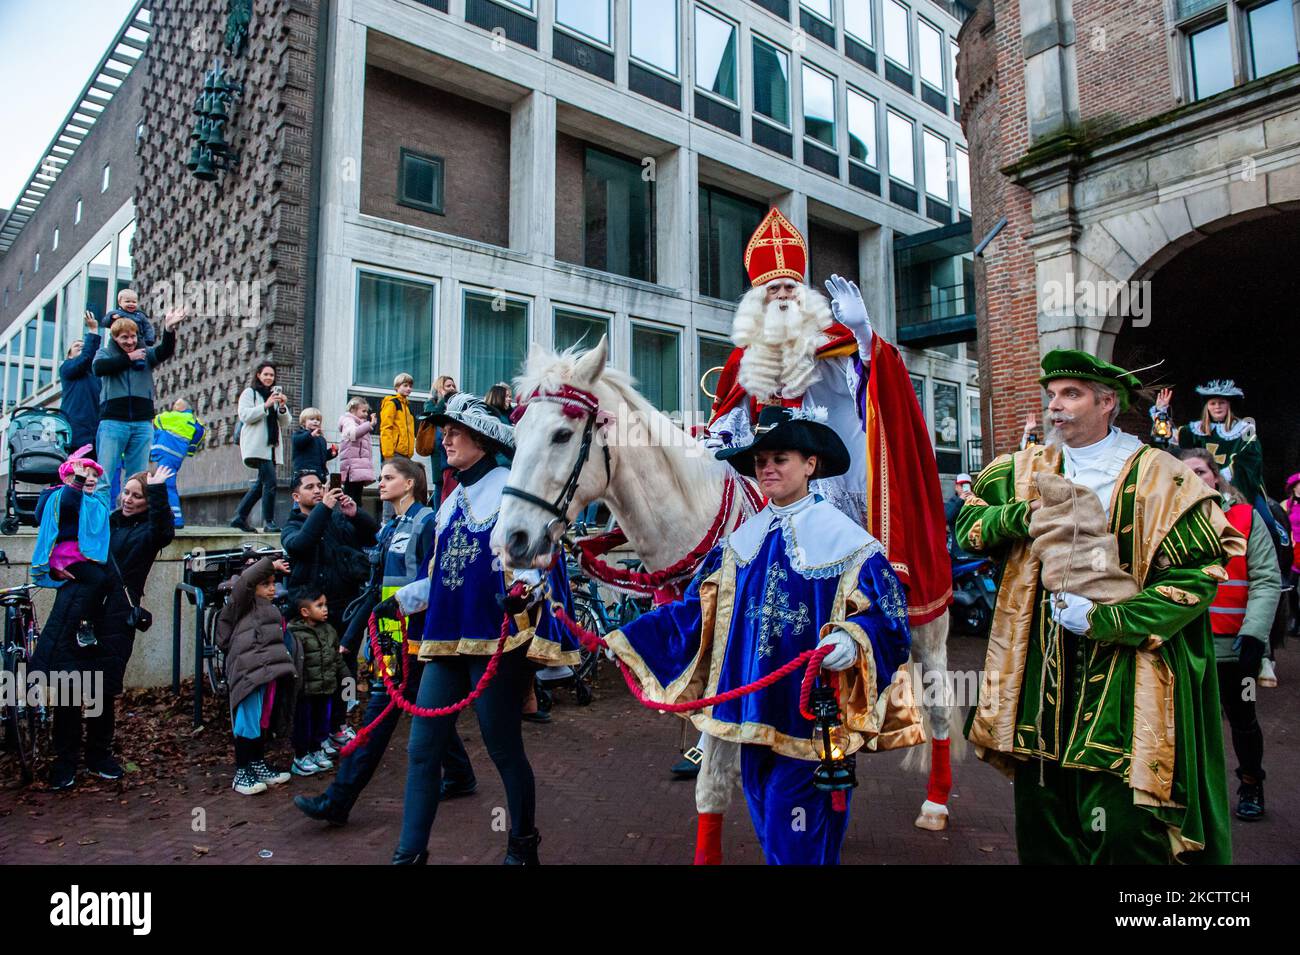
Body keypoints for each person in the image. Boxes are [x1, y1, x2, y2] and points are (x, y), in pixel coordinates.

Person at [700, 206, 952, 850]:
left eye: (790, 287)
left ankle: (930, 768)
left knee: (896, 617)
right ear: (755, 302)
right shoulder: (741, 367)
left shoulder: (841, 347)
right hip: (774, 510)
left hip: (847, 500)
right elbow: (725, 439)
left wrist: (867, 341)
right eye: (771, 291)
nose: (782, 297)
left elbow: (882, 397)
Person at [956, 350, 1244, 864]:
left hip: (1128, 685)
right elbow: (968, 528)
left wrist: (1107, 619)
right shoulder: (1023, 469)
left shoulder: (1162, 477)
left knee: (1126, 838)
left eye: (1072, 394)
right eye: (1052, 395)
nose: (1056, 407)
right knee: (1045, 829)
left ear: (1108, 402)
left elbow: (1199, 576)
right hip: (1039, 685)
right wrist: (1028, 515)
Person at [605, 405, 919, 864]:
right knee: (774, 827)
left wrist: (853, 638)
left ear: (811, 464)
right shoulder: (739, 543)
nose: (767, 468)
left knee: (790, 832)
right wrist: (630, 641)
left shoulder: (849, 543)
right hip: (752, 713)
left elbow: (891, 620)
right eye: (760, 461)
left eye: (780, 458)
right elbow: (696, 612)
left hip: (813, 720)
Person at [380, 392, 581, 864]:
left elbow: (534, 565)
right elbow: (441, 580)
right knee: (422, 750)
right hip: (445, 642)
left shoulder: (512, 489)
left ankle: (522, 845)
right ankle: (408, 856)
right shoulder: (449, 501)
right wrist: (392, 605)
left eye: (454, 432)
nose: (444, 440)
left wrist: (523, 590)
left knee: (503, 748)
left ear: (483, 439)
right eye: (444, 432)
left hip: (495, 643)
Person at [294, 456, 477, 826]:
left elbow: (439, 584)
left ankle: (338, 800)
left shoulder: (429, 523)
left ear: (410, 484)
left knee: (377, 719)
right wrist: (352, 636)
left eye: (388, 477)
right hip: (392, 638)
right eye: (380, 476)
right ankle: (460, 775)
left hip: (414, 641)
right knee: (414, 705)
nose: (380, 482)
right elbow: (377, 588)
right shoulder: (392, 525)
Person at [1181, 448, 1279, 821]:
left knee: (1243, 720)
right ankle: (1191, 793)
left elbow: (1267, 579)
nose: (1195, 478)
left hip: (1236, 649)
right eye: (1186, 473)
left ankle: (1251, 783)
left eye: (1201, 472)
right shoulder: (1168, 520)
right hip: (1186, 646)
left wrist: (1255, 636)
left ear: (1216, 477)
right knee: (1187, 724)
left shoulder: (1245, 518)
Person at [28, 448, 113, 790]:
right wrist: (74, 483)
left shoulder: (105, 514)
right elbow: (62, 506)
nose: (89, 481)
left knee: (98, 692)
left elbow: (158, 532)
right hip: (72, 614)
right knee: (66, 688)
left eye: (94, 478)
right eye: (83, 478)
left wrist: (154, 493)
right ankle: (66, 762)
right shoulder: (64, 500)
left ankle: (95, 756)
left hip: (102, 623)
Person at [281, 471, 378, 747]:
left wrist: (354, 513)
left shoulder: (337, 520)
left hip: (344, 609)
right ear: (296, 496)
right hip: (310, 616)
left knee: (346, 671)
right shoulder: (292, 525)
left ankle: (342, 722)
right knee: (315, 675)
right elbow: (300, 545)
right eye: (309, 487)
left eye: (320, 486)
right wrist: (324, 507)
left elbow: (373, 537)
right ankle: (316, 735)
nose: (317, 490)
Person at [1152, 381, 1278, 537]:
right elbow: (1165, 441)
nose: (1217, 407)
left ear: (1229, 405)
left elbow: (1251, 456)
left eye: (1222, 403)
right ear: (1207, 407)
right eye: (1213, 403)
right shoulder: (1192, 430)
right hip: (1200, 484)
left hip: (1239, 486)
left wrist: (1223, 475)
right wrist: (1161, 412)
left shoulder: (1246, 428)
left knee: (1268, 523)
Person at [215, 556, 297, 795]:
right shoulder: (242, 602)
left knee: (262, 719)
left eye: (274, 583)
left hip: (267, 672)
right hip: (249, 672)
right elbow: (247, 581)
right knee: (247, 721)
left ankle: (257, 764)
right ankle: (242, 772)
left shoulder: (269, 607)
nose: (273, 588)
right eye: (266, 584)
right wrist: (270, 564)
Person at [92, 307, 187, 504]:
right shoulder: (105, 353)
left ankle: (131, 524)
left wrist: (169, 329)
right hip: (113, 422)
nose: (130, 342)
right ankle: (101, 524)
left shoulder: (144, 354)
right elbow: (99, 368)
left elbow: (164, 351)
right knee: (104, 478)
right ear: (115, 338)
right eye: (124, 338)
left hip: (142, 423)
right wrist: (128, 359)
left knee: (136, 479)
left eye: (133, 337)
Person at [287, 588, 345, 777]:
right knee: (304, 723)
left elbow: (336, 657)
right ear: (305, 612)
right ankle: (301, 756)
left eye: (325, 604)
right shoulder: (295, 634)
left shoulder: (329, 631)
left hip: (325, 688)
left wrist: (346, 675)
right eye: (319, 605)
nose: (325, 609)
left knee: (322, 721)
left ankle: (316, 749)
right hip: (306, 691)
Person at [230, 362, 291, 533]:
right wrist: (266, 405)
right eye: (266, 374)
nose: (269, 378)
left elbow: (285, 422)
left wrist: (283, 406)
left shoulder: (274, 395)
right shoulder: (250, 393)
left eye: (271, 375)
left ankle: (239, 517)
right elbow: (245, 415)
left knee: (260, 484)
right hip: (257, 446)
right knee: (270, 483)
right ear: (258, 375)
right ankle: (269, 522)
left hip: (271, 447)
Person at [150, 398, 205, 527]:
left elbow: (155, 420)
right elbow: (196, 441)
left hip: (166, 455)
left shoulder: (173, 416)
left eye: (176, 404)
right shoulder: (197, 423)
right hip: (177, 457)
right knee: (167, 483)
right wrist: (189, 451)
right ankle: (172, 517)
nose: (174, 406)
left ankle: (175, 519)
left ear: (181, 408)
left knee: (167, 485)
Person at [58, 310, 102, 452]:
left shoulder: (97, 376)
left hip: (94, 434)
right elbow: (85, 358)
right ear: (69, 355)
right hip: (74, 432)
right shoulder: (67, 367)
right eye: (77, 346)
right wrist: (93, 331)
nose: (82, 348)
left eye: (84, 346)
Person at [424, 375, 458, 503]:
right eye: (448, 386)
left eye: (453, 386)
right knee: (440, 485)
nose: (452, 388)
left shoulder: (456, 403)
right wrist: (443, 399)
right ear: (440, 388)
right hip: (438, 451)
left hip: (451, 449)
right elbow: (434, 417)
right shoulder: (431, 403)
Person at [337, 396, 377, 504]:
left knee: (357, 497)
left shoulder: (360, 424)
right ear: (353, 410)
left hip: (358, 466)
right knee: (351, 496)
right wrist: (370, 424)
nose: (366, 414)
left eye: (367, 411)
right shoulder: (348, 420)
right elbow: (352, 434)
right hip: (353, 467)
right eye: (363, 411)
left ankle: (355, 517)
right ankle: (349, 519)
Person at [292, 407, 337, 481]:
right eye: (312, 419)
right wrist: (311, 435)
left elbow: (323, 456)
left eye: (318, 420)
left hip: (319, 473)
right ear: (303, 422)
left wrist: (333, 451)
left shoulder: (321, 439)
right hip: (304, 473)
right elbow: (299, 442)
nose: (315, 421)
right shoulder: (299, 434)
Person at [380, 373, 416, 461]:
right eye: (405, 385)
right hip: (394, 452)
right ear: (397, 387)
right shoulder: (392, 403)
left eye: (410, 386)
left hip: (405, 453)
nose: (409, 388)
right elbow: (386, 428)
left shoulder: (407, 406)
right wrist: (388, 454)